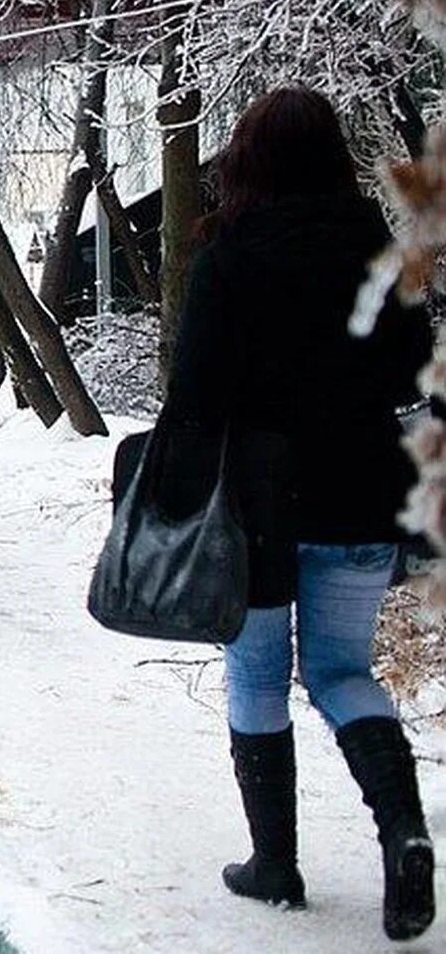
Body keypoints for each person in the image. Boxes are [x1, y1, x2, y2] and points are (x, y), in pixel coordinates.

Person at [163, 86, 435, 940]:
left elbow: (198, 393)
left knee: (255, 676)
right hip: (359, 492)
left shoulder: (228, 257)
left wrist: (170, 482)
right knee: (341, 671)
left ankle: (275, 863)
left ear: (248, 159)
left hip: (256, 505)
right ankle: (405, 832)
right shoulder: (379, 255)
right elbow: (414, 374)